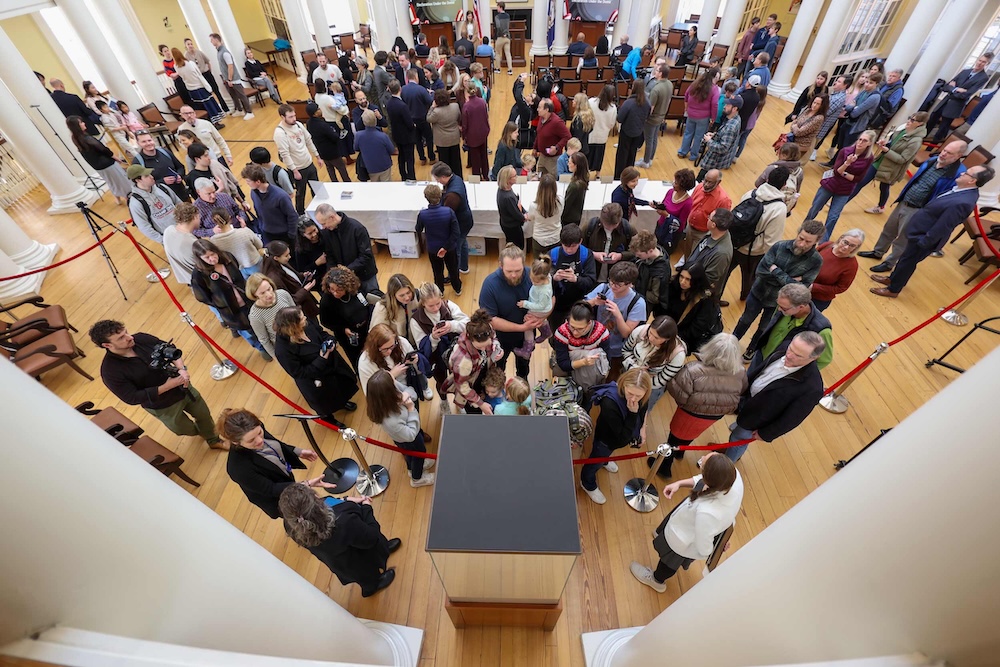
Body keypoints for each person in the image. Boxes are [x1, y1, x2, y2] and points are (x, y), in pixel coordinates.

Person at [90, 319, 224, 449]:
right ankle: (203, 433)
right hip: (163, 406)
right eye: (121, 338)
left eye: (126, 332)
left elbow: (171, 350)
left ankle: (213, 439)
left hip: (183, 388)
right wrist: (167, 386)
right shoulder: (110, 371)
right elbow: (131, 397)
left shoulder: (141, 338)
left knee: (204, 415)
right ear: (107, 345)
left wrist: (181, 369)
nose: (129, 337)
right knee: (183, 429)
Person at [871, 166, 994, 298]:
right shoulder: (961, 191)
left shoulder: (962, 201)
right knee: (905, 259)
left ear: (972, 181)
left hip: (924, 238)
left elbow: (944, 226)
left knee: (908, 262)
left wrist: (923, 242)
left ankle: (894, 289)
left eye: (967, 173)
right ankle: (893, 279)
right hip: (920, 232)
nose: (962, 173)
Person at [631, 451, 742, 592]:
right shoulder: (730, 476)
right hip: (686, 523)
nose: (701, 459)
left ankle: (656, 580)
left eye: (703, 463)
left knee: (669, 563)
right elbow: (703, 479)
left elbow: (704, 547)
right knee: (670, 553)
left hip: (683, 541)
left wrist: (715, 546)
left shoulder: (707, 513)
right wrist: (679, 483)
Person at [649, 333, 747, 478]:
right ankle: (681, 452)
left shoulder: (693, 370)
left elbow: (677, 392)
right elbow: (742, 391)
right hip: (714, 415)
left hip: (689, 413)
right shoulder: (740, 373)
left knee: (674, 437)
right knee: (692, 434)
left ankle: (665, 466)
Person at [860, 140, 968, 271]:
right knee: (889, 230)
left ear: (958, 156)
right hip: (905, 201)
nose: (944, 153)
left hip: (919, 210)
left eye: (949, 153)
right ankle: (878, 252)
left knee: (902, 239)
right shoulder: (932, 160)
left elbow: (945, 198)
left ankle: (889, 263)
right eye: (944, 150)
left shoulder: (957, 175)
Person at [278, 484, 399, 597]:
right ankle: (371, 588)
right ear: (316, 502)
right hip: (359, 551)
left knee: (357, 572)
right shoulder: (343, 522)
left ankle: (383, 552)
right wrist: (367, 507)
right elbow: (372, 537)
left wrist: (345, 500)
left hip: (339, 560)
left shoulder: (290, 527)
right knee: (366, 574)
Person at [732, 219, 824, 361]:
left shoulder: (816, 261)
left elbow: (802, 288)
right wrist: (791, 280)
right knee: (745, 320)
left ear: (816, 242)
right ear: (798, 232)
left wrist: (775, 270)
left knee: (764, 328)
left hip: (780, 305)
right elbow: (761, 271)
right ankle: (731, 343)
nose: (802, 244)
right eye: (801, 238)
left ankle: (752, 349)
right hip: (758, 293)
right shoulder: (779, 246)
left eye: (808, 242)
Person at [726, 331, 826, 462]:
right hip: (747, 399)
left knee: (737, 440)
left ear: (814, 358)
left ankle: (726, 463)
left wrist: (766, 434)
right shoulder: (785, 346)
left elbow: (792, 418)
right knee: (739, 428)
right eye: (791, 348)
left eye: (798, 355)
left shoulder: (812, 388)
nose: (789, 355)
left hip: (757, 418)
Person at [219, 408, 330, 518]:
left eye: (260, 433)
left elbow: (274, 442)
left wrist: (296, 451)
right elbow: (271, 489)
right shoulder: (238, 469)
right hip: (279, 499)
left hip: (283, 479)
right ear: (235, 442)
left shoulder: (255, 429)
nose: (260, 441)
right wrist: (306, 484)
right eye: (251, 440)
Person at [273, 306, 359, 428]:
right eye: (302, 318)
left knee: (339, 389)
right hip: (316, 380)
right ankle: (329, 419)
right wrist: (322, 358)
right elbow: (299, 373)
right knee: (325, 404)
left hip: (332, 367)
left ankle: (342, 403)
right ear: (293, 326)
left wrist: (331, 341)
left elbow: (322, 333)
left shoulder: (307, 324)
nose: (305, 318)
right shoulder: (282, 350)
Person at [579, 368, 652, 505]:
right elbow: (621, 438)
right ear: (623, 384)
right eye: (630, 393)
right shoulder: (609, 402)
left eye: (639, 396)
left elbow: (644, 410)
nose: (634, 399)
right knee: (595, 460)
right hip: (607, 439)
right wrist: (633, 413)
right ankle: (587, 482)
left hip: (620, 436)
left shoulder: (641, 397)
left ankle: (605, 461)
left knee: (604, 456)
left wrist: (643, 428)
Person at [480, 244, 550, 379]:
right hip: (500, 338)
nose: (513, 275)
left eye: (518, 270)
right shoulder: (490, 284)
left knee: (523, 368)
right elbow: (491, 320)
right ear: (500, 265)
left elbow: (550, 298)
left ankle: (521, 388)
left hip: (526, 338)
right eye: (509, 271)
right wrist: (522, 327)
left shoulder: (534, 277)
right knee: (498, 369)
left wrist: (543, 317)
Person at [719, 169, 789, 305]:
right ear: (784, 184)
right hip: (753, 251)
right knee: (749, 277)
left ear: (768, 179)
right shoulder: (779, 208)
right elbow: (771, 240)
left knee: (723, 273)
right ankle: (745, 296)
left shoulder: (750, 193)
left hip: (733, 241)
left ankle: (715, 299)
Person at [190, 239, 268, 358]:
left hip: (247, 300)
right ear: (200, 259)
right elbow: (202, 296)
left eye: (213, 254)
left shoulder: (228, 257)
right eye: (207, 257)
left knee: (258, 322)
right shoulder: (199, 275)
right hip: (230, 309)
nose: (212, 259)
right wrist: (219, 302)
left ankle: (267, 343)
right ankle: (261, 348)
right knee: (247, 332)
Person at [366, 370, 436, 487]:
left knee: (409, 455)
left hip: (402, 437)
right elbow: (411, 435)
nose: (395, 382)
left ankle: (412, 469)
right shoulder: (390, 420)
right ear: (388, 392)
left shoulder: (385, 397)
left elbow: (411, 392)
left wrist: (406, 394)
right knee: (419, 454)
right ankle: (417, 479)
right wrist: (411, 409)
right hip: (408, 438)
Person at [747, 283, 833, 375]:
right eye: (778, 304)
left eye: (783, 308)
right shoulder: (785, 307)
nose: (779, 309)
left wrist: (793, 371)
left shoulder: (821, 330)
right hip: (761, 356)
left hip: (779, 370)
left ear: (801, 307)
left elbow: (824, 360)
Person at [849, 112, 928, 213]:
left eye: (913, 120)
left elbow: (902, 159)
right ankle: (841, 202)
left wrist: (886, 150)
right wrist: (885, 143)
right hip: (881, 161)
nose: (909, 121)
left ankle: (881, 206)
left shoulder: (916, 141)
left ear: (920, 124)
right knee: (860, 182)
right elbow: (893, 143)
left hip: (891, 168)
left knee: (884, 187)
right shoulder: (904, 130)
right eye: (910, 118)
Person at [807, 131, 876, 242]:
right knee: (815, 208)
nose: (861, 142)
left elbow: (859, 178)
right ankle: (805, 230)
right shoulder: (845, 151)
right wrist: (847, 164)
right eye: (860, 139)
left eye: (865, 140)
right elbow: (837, 171)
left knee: (833, 217)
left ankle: (823, 242)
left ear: (870, 143)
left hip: (845, 190)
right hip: (829, 185)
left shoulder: (869, 158)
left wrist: (844, 173)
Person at [586, 262, 647, 378]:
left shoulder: (638, 303)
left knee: (611, 377)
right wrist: (593, 302)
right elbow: (581, 306)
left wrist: (618, 315)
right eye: (611, 281)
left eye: (618, 285)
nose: (613, 286)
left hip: (616, 350)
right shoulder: (604, 288)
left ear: (630, 284)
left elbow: (626, 332)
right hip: (594, 342)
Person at [410, 282, 470, 399]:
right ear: (422, 303)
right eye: (431, 306)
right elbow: (422, 348)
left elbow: (468, 325)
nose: (436, 308)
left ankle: (459, 400)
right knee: (441, 382)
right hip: (436, 359)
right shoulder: (416, 320)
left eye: (438, 303)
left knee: (460, 378)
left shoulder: (448, 306)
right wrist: (433, 338)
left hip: (457, 353)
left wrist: (452, 325)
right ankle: (443, 402)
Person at [441, 308, 505, 413]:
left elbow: (494, 339)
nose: (484, 350)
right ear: (470, 339)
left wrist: (497, 348)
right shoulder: (462, 362)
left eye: (487, 345)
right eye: (480, 348)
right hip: (470, 385)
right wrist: (480, 403)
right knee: (474, 412)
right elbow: (462, 386)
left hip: (481, 374)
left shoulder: (487, 329)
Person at [623, 315, 686, 413]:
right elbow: (626, 350)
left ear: (668, 339)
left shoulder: (677, 354)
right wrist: (633, 368)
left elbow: (662, 380)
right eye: (650, 332)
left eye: (656, 337)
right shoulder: (640, 332)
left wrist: (642, 382)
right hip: (630, 375)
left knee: (642, 411)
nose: (651, 338)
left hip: (651, 387)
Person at [314, 204, 379, 295]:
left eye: (323, 223)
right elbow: (329, 255)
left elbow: (366, 255)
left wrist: (347, 269)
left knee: (373, 299)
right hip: (344, 279)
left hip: (365, 276)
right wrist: (332, 273)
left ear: (332, 217)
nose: (323, 227)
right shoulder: (326, 233)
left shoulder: (357, 229)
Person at [927, 53, 994, 141]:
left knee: (943, 128)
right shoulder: (965, 71)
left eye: (983, 62)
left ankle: (931, 149)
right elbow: (946, 87)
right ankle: (921, 140)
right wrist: (956, 89)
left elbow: (965, 95)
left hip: (955, 106)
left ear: (987, 64)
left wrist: (953, 89)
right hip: (945, 102)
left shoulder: (983, 78)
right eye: (979, 60)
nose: (980, 63)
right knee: (931, 121)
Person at [317, 266, 371, 375]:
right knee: (358, 359)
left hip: (368, 329)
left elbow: (368, 304)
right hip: (348, 336)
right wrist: (343, 329)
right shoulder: (326, 301)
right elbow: (325, 321)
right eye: (332, 289)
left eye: (339, 290)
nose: (335, 293)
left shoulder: (357, 290)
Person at [68, 116, 130, 205]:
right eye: (81, 123)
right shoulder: (87, 138)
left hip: (97, 166)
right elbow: (102, 148)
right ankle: (127, 197)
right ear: (77, 126)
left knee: (110, 181)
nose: (83, 123)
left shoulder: (76, 138)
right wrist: (114, 156)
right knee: (120, 180)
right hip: (106, 164)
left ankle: (118, 199)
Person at [551, 301, 611, 388]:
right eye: (572, 327)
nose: (575, 332)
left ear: (589, 323)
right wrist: (583, 362)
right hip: (569, 372)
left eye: (580, 329)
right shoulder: (562, 333)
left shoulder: (601, 332)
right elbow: (563, 364)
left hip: (593, 373)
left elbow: (607, 358)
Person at [549, 224, 598, 330]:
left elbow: (591, 281)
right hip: (557, 304)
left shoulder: (586, 254)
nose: (569, 250)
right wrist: (554, 279)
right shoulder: (553, 254)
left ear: (580, 241)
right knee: (556, 335)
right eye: (566, 246)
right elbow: (541, 279)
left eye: (573, 246)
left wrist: (576, 279)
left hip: (579, 304)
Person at [415, 184, 462, 295]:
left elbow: (418, 229)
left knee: (437, 271)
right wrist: (445, 248)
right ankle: (457, 288)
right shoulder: (449, 212)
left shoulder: (423, 214)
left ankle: (440, 291)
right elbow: (456, 232)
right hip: (449, 247)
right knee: (453, 269)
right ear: (440, 196)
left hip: (433, 248)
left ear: (426, 197)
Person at [824, 74, 881, 163]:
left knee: (847, 147)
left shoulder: (875, 96)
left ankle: (837, 166)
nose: (866, 84)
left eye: (870, 83)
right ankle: (832, 163)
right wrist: (853, 107)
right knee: (841, 144)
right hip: (848, 121)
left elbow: (855, 113)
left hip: (857, 126)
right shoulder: (864, 91)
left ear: (876, 84)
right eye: (866, 82)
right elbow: (849, 106)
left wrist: (853, 107)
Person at [665, 263, 722, 353]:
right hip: (669, 329)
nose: (683, 282)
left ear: (696, 280)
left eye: (688, 279)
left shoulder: (705, 300)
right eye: (681, 276)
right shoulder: (674, 285)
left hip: (685, 337)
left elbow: (697, 328)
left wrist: (672, 338)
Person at [273, 105, 319, 213]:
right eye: (290, 117)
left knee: (316, 189)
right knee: (300, 194)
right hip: (298, 169)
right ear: (282, 117)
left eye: (294, 115)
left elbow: (308, 140)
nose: (294, 119)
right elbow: (285, 154)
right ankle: (300, 213)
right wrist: (294, 170)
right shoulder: (280, 133)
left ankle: (319, 209)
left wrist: (317, 155)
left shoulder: (298, 124)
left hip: (309, 163)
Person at [241, 164, 298, 247]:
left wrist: (292, 234)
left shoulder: (281, 196)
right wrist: (261, 226)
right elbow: (258, 212)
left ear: (258, 181)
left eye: (249, 181)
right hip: (267, 233)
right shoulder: (253, 193)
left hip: (283, 235)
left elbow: (292, 216)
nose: (247, 183)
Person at [432, 162, 474, 272]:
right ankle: (464, 267)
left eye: (437, 179)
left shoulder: (452, 196)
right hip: (466, 220)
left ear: (443, 177)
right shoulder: (457, 178)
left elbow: (446, 215)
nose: (437, 181)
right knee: (462, 242)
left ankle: (454, 275)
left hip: (460, 223)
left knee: (456, 250)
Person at [261, 240, 319, 320]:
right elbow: (288, 301)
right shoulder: (274, 278)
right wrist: (305, 290)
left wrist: (302, 276)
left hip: (305, 305)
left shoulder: (282, 263)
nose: (289, 257)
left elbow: (291, 276)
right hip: (299, 312)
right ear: (276, 258)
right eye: (286, 255)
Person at [684, 208, 734, 301]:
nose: (707, 219)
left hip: (696, 291)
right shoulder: (714, 232)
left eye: (709, 218)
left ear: (713, 224)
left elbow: (708, 280)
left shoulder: (721, 253)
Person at [810, 230, 864, 311]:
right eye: (845, 242)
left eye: (852, 245)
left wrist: (813, 287)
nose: (846, 247)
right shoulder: (827, 245)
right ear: (841, 238)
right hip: (801, 287)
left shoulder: (851, 265)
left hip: (817, 299)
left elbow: (841, 288)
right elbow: (809, 259)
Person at [246, 274, 296, 359]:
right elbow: (264, 340)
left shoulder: (283, 294)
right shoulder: (255, 316)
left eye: (269, 289)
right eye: (262, 293)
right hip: (286, 348)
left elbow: (297, 313)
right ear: (255, 295)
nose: (269, 295)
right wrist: (277, 358)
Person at [583, 202, 635, 282]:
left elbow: (637, 251)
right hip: (592, 276)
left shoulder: (628, 229)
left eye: (614, 225)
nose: (610, 228)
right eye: (607, 225)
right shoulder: (590, 226)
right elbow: (578, 247)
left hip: (617, 279)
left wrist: (621, 256)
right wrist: (593, 254)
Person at [172, 49, 226, 126]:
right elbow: (199, 74)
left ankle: (207, 123)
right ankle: (216, 123)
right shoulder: (190, 63)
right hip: (200, 87)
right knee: (209, 105)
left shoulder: (176, 67)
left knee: (200, 107)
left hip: (191, 90)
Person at [678, 68, 721, 162]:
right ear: (716, 77)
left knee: (688, 133)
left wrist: (686, 108)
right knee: (699, 136)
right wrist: (713, 117)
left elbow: (686, 95)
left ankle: (682, 152)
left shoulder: (695, 84)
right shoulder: (714, 89)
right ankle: (693, 155)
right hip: (703, 117)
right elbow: (714, 104)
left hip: (691, 113)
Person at [514, 256, 554, 358]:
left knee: (528, 323)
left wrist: (525, 304)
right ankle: (546, 332)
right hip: (544, 306)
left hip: (541, 309)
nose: (533, 282)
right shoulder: (548, 276)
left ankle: (527, 348)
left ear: (544, 278)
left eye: (536, 282)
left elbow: (541, 305)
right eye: (531, 279)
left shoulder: (544, 292)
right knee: (537, 320)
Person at [132, 131, 189, 202]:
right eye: (144, 142)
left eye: (149, 140)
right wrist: (162, 181)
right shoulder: (138, 162)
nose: (148, 143)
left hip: (181, 193)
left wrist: (180, 175)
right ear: (138, 143)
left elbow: (180, 167)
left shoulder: (164, 152)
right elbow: (141, 184)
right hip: (163, 200)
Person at [304, 101, 350, 183]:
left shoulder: (309, 123)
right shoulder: (322, 125)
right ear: (315, 113)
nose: (320, 110)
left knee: (331, 171)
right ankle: (349, 186)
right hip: (333, 153)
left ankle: (335, 186)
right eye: (318, 109)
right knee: (342, 171)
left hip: (322, 153)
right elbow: (335, 137)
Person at [210, 33, 253, 119]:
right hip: (227, 79)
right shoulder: (219, 52)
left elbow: (230, 66)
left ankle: (249, 112)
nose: (211, 42)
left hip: (233, 79)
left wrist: (230, 79)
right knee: (233, 96)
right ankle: (239, 110)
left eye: (211, 40)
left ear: (216, 39)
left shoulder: (225, 52)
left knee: (241, 95)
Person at [638, 64, 673, 169]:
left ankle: (645, 162)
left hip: (652, 119)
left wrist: (644, 118)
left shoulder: (656, 89)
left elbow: (651, 107)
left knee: (649, 140)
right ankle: (650, 159)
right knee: (654, 139)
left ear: (661, 73)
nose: (655, 72)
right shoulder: (670, 84)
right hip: (661, 116)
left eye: (657, 70)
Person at [211, 207, 263, 278]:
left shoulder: (213, 241)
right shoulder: (245, 231)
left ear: (214, 221)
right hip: (254, 263)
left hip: (236, 270)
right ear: (229, 217)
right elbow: (260, 245)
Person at [614, 80, 651, 179]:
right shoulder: (647, 103)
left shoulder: (628, 103)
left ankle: (618, 177)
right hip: (638, 132)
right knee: (632, 154)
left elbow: (620, 118)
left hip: (626, 132)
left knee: (622, 155)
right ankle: (629, 176)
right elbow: (648, 116)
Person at [699, 96, 742, 178]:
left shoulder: (731, 127)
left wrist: (709, 141)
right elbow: (725, 136)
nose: (725, 106)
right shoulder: (735, 118)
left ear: (734, 108)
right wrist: (715, 135)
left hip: (714, 162)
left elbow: (723, 148)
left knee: (700, 182)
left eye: (728, 105)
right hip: (716, 161)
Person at [630, 230, 671, 318]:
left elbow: (655, 297)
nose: (637, 257)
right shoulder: (648, 254)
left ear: (650, 251)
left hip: (644, 305)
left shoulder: (660, 273)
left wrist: (635, 287)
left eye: (639, 255)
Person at [655, 168, 696, 253]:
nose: (673, 183)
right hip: (660, 225)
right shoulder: (670, 192)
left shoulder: (688, 202)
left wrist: (667, 215)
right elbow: (664, 205)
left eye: (676, 183)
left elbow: (681, 224)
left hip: (671, 233)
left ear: (683, 186)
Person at [184, 37, 229, 113]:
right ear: (186, 46)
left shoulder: (199, 52)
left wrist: (209, 71)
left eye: (191, 44)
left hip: (207, 73)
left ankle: (225, 108)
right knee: (207, 94)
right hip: (199, 77)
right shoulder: (186, 56)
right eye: (188, 44)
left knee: (216, 91)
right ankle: (215, 111)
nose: (190, 45)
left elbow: (207, 61)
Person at [812, 74, 851, 161]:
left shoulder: (838, 98)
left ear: (845, 85)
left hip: (819, 128)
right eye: (837, 80)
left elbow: (825, 112)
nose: (836, 82)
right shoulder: (835, 94)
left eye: (839, 82)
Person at [756, 143, 804, 213]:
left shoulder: (772, 168)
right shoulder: (800, 172)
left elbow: (758, 183)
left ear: (784, 155)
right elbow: (797, 189)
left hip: (765, 202)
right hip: (782, 206)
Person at [162, 202, 201, 286]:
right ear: (195, 216)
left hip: (189, 280)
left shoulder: (168, 231)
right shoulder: (191, 242)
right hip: (202, 281)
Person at [427, 89, 464, 178]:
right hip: (454, 138)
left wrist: (432, 107)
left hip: (442, 141)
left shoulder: (436, 112)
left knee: (444, 164)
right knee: (456, 163)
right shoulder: (455, 106)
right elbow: (459, 117)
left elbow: (428, 118)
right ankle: (458, 179)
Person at [354, 109, 397, 182]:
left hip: (370, 167)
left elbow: (356, 148)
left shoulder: (359, 135)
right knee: (387, 186)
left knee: (375, 187)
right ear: (375, 121)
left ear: (364, 122)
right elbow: (392, 150)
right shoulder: (383, 136)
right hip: (384, 165)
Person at [402, 69, 435, 165]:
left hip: (411, 120)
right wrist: (431, 94)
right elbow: (430, 101)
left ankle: (422, 158)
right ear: (416, 77)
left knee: (417, 139)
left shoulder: (403, 89)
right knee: (429, 138)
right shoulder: (421, 89)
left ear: (407, 78)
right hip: (423, 118)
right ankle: (431, 157)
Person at [370, 274, 416, 341]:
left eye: (408, 292)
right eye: (402, 295)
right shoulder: (383, 308)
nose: (407, 298)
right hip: (396, 346)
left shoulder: (416, 296)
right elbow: (376, 335)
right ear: (393, 295)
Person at [526, 174, 563, 256]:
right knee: (554, 263)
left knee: (539, 265)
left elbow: (531, 218)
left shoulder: (534, 205)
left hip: (540, 239)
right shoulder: (561, 201)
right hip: (556, 237)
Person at [532, 98, 571, 176]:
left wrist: (557, 147)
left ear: (546, 109)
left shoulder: (557, 122)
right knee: (540, 178)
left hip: (553, 160)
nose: (537, 109)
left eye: (539, 107)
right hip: (542, 157)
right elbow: (539, 134)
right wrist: (535, 148)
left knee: (553, 181)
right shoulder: (541, 118)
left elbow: (567, 136)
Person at [788, 95, 828, 165]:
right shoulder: (807, 110)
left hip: (801, 144)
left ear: (822, 106)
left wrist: (795, 126)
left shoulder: (819, 118)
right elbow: (795, 122)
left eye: (818, 104)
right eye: (814, 102)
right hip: (793, 139)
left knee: (791, 163)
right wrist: (795, 126)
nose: (814, 105)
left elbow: (799, 132)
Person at [588, 85, 618, 176]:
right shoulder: (613, 108)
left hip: (590, 135)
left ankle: (586, 173)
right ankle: (598, 174)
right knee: (599, 156)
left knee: (588, 155)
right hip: (602, 136)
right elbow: (612, 124)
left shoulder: (591, 102)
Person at [462, 85, 491, 179]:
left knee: (475, 159)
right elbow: (486, 116)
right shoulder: (482, 101)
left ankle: (477, 178)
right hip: (483, 132)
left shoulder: (466, 106)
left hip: (472, 136)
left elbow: (465, 124)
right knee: (484, 156)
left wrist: (464, 136)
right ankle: (486, 175)